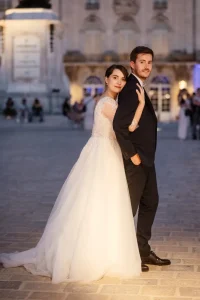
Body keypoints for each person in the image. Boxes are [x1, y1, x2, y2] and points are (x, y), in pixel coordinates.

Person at [0, 64, 145, 283]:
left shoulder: (110, 102)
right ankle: (92, 254)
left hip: (103, 152)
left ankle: (101, 249)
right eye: (114, 77)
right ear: (106, 79)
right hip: (104, 154)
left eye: (122, 79)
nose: (119, 82)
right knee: (101, 201)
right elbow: (128, 129)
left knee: (99, 202)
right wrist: (141, 104)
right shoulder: (107, 103)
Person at [113, 46, 171, 273]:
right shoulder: (129, 89)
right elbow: (119, 126)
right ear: (132, 65)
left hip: (147, 160)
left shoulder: (138, 86)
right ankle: (125, 255)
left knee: (151, 202)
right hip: (137, 160)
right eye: (142, 62)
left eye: (150, 62)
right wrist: (133, 155)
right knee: (129, 208)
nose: (147, 66)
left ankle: (142, 250)